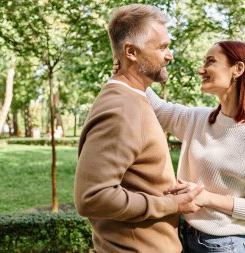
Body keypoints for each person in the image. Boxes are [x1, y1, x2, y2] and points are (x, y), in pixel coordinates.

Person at [74, 4, 203, 253]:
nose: (170, 55)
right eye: (162, 47)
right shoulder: (122, 110)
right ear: (131, 51)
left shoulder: (134, 98)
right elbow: (92, 198)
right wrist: (170, 204)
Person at [143, 41, 245, 252]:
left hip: (226, 245)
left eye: (210, 62)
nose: (201, 69)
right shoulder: (201, 119)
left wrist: (206, 197)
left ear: (238, 69)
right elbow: (158, 109)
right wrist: (130, 71)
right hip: (191, 237)